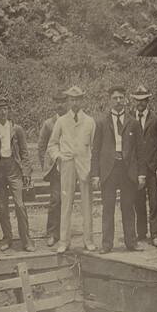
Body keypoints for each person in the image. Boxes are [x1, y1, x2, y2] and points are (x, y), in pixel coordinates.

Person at [90, 85, 146, 254]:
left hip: (128, 170)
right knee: (108, 208)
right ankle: (107, 244)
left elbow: (140, 150)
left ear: (126, 99)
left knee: (128, 207)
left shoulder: (133, 123)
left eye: (121, 98)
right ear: (109, 101)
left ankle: (131, 242)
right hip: (109, 170)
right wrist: (95, 175)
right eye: (115, 98)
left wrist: (141, 173)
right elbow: (96, 150)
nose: (118, 101)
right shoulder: (101, 123)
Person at [0, 98, 35, 252]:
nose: (3, 112)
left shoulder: (16, 129)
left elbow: (25, 152)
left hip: (14, 170)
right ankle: (7, 238)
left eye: (5, 109)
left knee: (19, 204)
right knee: (2, 206)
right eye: (0, 110)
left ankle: (26, 240)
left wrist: (26, 172)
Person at [47, 86, 96, 254]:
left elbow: (94, 147)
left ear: (82, 100)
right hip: (67, 164)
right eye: (72, 100)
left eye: (78, 99)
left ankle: (88, 240)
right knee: (65, 202)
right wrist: (58, 157)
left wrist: (92, 167)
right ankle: (64, 241)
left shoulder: (89, 121)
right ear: (69, 101)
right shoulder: (61, 121)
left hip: (84, 165)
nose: (75, 103)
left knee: (87, 203)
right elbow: (52, 144)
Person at [130, 85, 157, 247]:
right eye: (137, 100)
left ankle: (156, 234)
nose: (140, 103)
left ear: (147, 101)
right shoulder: (130, 119)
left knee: (154, 202)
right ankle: (142, 232)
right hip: (136, 169)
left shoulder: (156, 120)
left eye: (143, 100)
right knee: (138, 202)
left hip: (151, 169)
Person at [37, 90, 70, 247]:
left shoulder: (73, 121)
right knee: (55, 200)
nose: (60, 105)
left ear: (68, 102)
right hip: (56, 169)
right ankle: (52, 233)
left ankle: (65, 232)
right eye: (57, 102)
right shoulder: (49, 124)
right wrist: (48, 166)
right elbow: (42, 146)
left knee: (68, 200)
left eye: (63, 101)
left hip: (71, 167)